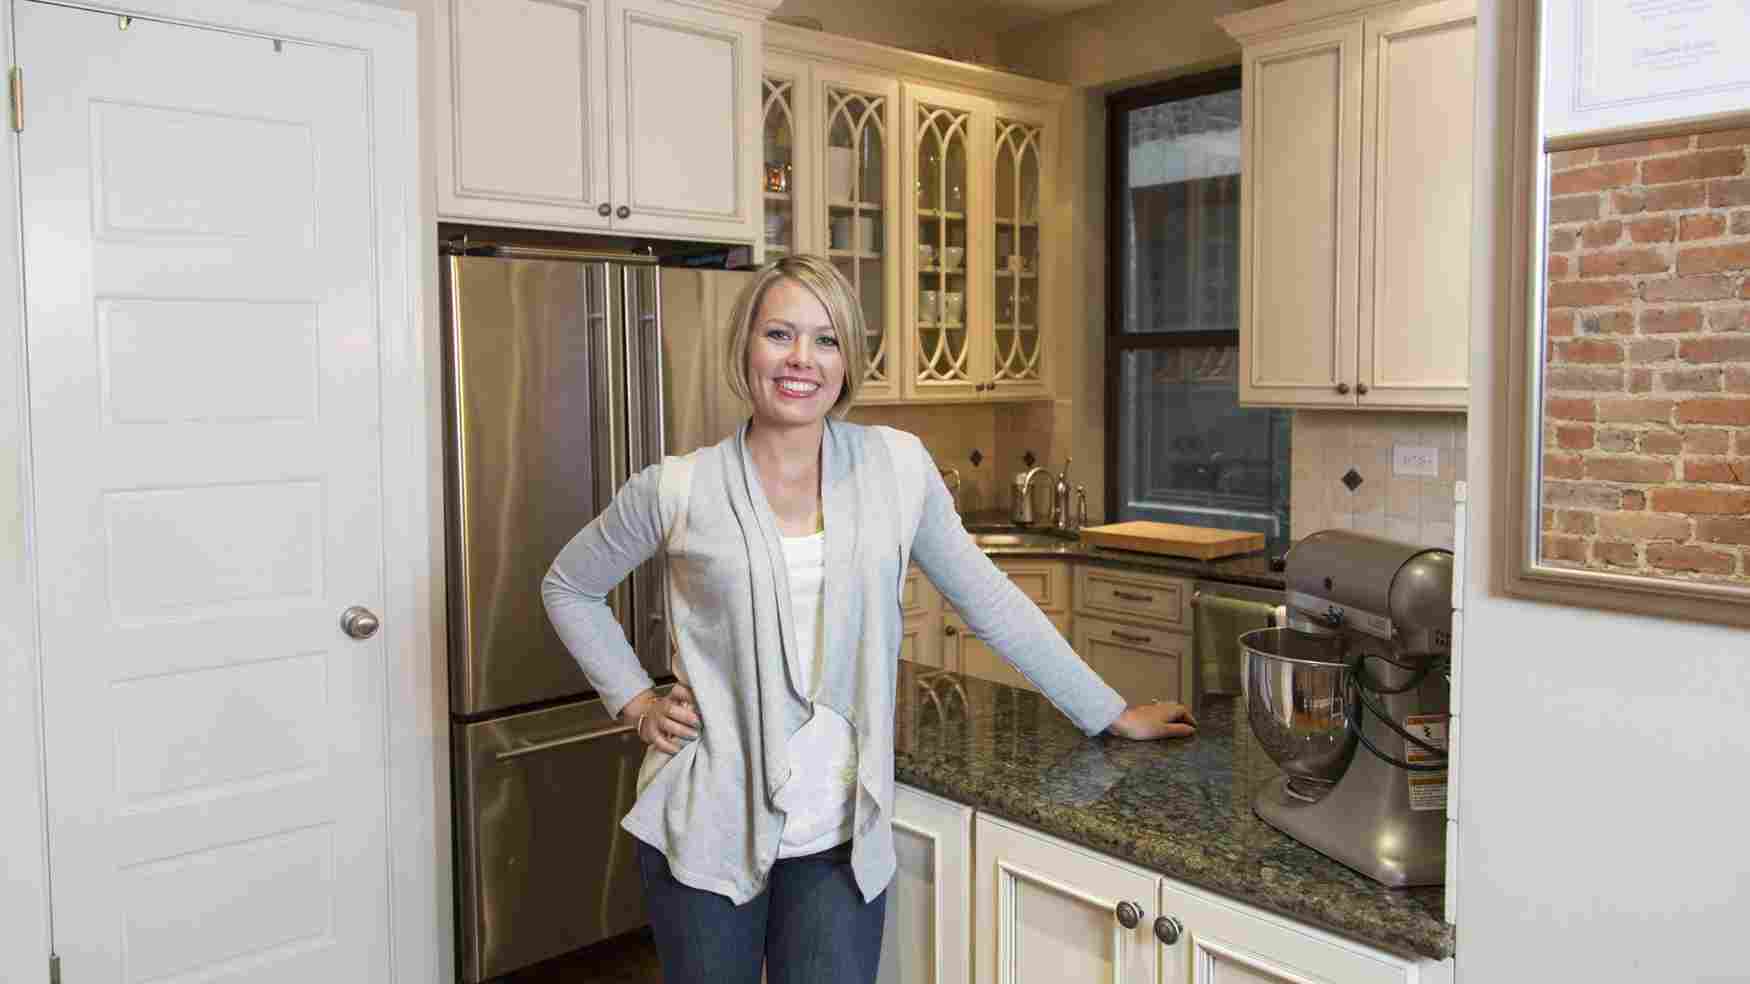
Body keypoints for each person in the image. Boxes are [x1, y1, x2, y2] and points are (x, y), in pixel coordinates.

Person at [542, 255, 1196, 984]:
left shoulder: (897, 468)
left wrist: (1109, 712)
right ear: (746, 348)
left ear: (849, 359)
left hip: (840, 837)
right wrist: (636, 702)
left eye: (826, 340)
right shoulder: (677, 487)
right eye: (780, 334)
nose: (801, 360)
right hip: (704, 827)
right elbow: (569, 586)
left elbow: (990, 597)